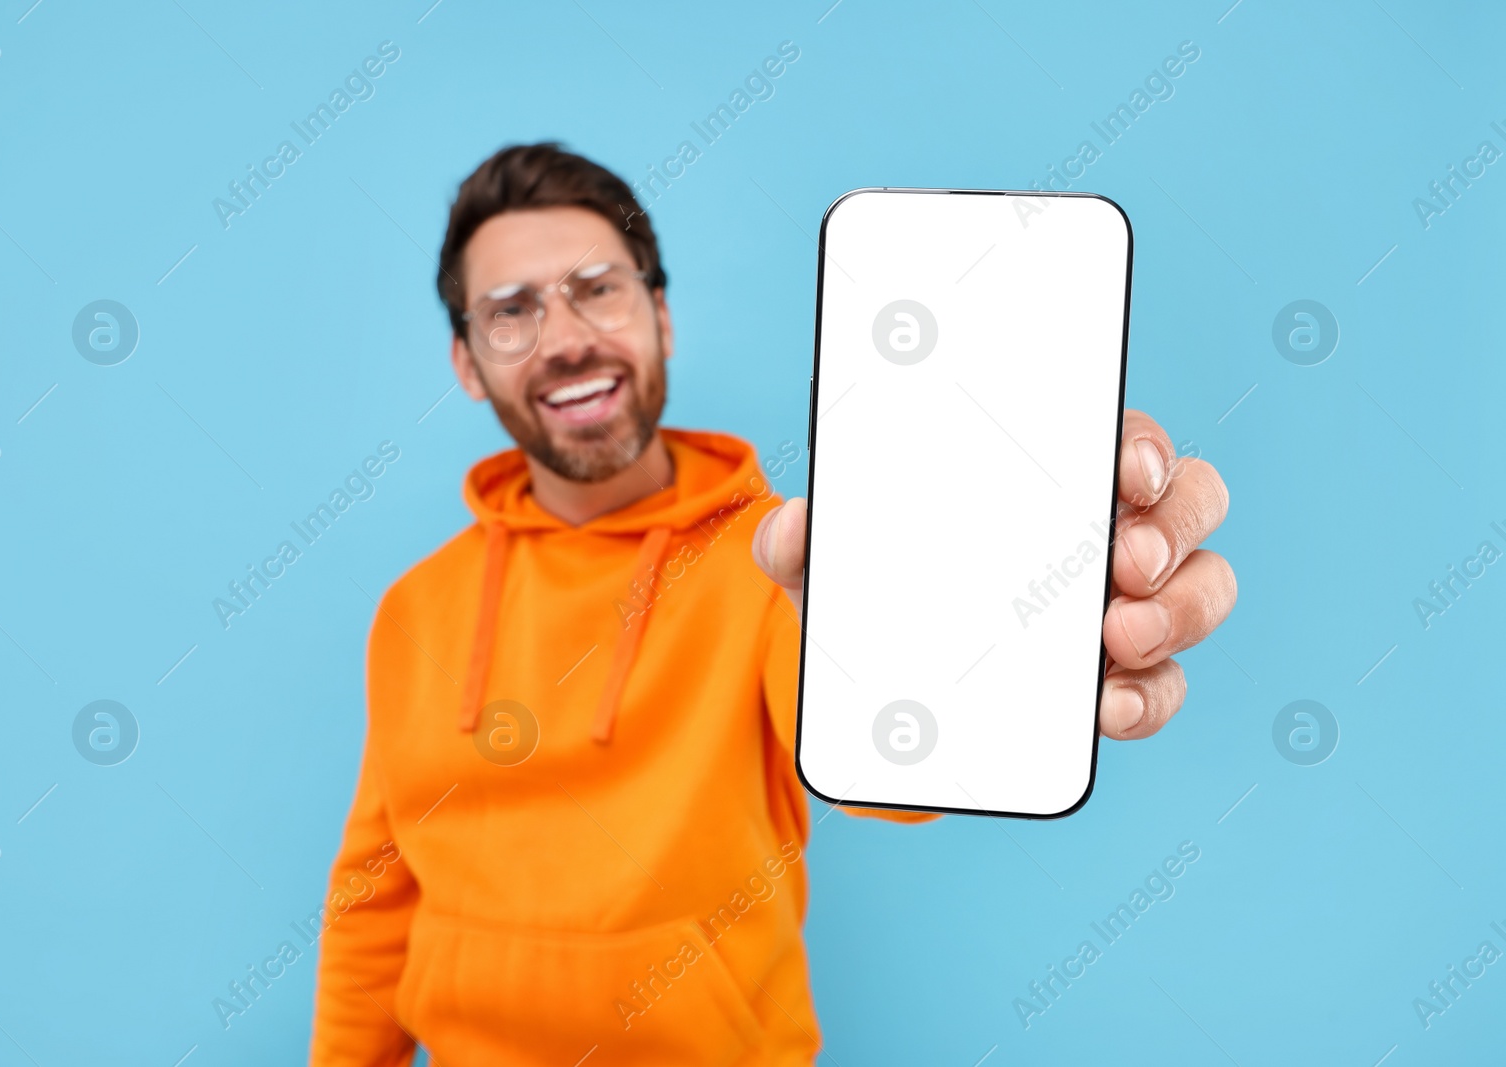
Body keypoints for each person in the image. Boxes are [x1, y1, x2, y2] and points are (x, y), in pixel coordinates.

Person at [307, 143, 1236, 1066]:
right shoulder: (414, 608)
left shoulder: (779, 563)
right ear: (467, 363)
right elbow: (372, 901)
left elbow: (899, 773)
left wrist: (1004, 596)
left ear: (660, 315)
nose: (564, 338)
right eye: (511, 312)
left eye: (598, 287)